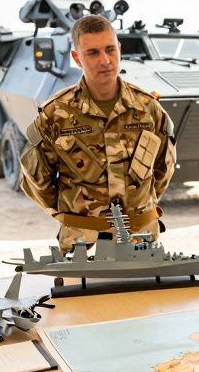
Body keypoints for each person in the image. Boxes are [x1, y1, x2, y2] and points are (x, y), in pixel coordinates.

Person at [20, 14, 175, 252]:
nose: (105, 60)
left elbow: (164, 168)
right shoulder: (55, 114)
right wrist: (71, 216)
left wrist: (140, 205)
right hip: (83, 243)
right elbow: (36, 179)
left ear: (119, 49)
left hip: (140, 238)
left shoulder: (148, 108)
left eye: (110, 49)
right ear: (77, 58)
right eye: (92, 53)